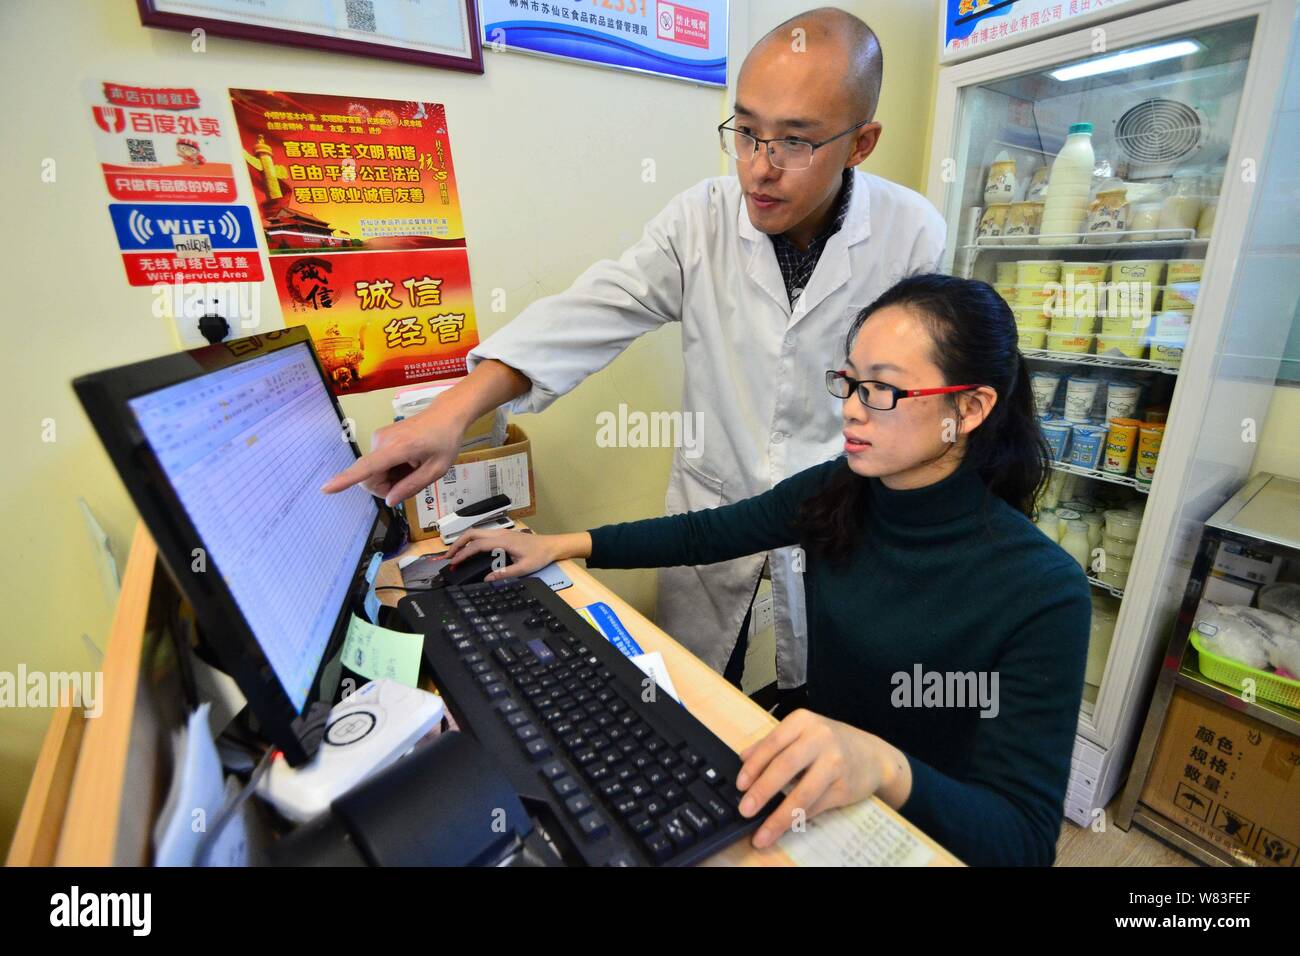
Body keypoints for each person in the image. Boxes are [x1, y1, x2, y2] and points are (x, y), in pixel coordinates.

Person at [322, 7, 947, 709]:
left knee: (824, 704)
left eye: (794, 143)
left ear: (861, 143)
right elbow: (594, 310)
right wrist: (453, 411)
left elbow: (917, 397)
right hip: (718, 505)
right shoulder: (701, 220)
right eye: (745, 131)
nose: (756, 170)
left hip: (842, 515)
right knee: (701, 695)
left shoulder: (912, 235)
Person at [442, 274, 1091, 866]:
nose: (854, 410)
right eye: (851, 383)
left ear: (970, 410)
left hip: (917, 827)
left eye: (884, 389)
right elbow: (709, 531)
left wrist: (887, 767)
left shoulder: (1041, 591)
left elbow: (1024, 840)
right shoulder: (843, 489)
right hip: (812, 789)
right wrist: (563, 543)